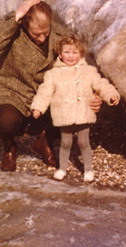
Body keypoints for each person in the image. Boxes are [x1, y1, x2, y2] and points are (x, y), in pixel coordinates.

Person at [0, 0, 101, 171]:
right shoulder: (13, 32)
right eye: (37, 34)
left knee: (76, 107)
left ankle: (45, 142)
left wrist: (94, 94)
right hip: (11, 89)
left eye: (46, 32)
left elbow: (80, 65)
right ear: (24, 24)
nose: (42, 38)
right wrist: (16, 15)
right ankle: (9, 147)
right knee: (6, 120)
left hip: (46, 93)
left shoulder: (60, 36)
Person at [31, 34, 120, 182]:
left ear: (81, 54)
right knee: (65, 143)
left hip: (83, 113)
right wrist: (38, 107)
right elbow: (44, 92)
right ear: (60, 54)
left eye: (74, 52)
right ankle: (62, 169)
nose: (70, 56)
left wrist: (111, 95)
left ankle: (88, 169)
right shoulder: (53, 74)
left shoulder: (89, 71)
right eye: (66, 52)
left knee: (83, 142)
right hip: (64, 115)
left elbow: (101, 84)